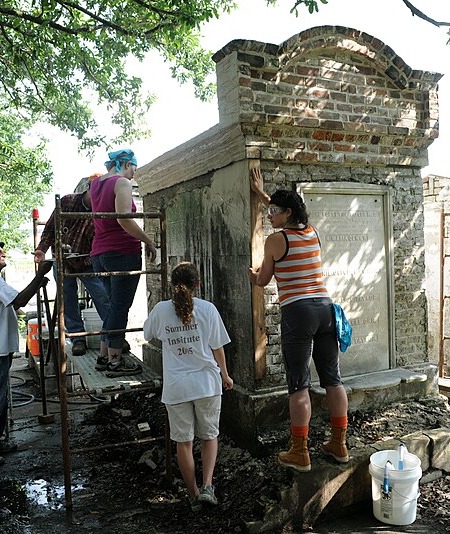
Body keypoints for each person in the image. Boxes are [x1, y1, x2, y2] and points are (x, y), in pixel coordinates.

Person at [247, 167, 349, 472]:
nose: (269, 215)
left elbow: (264, 280)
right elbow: (290, 216)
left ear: (286, 213)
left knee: (299, 384)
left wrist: (253, 277)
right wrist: (264, 195)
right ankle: (339, 443)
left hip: (298, 312)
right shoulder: (313, 232)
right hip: (325, 308)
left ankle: (300, 451)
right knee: (332, 378)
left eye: (273, 212)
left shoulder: (276, 241)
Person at [144, 262, 233, 511]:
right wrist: (226, 375)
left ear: (172, 285)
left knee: (183, 442)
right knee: (209, 436)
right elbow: (217, 347)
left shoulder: (161, 310)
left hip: (176, 388)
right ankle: (207, 487)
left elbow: (146, 334)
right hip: (206, 384)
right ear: (198, 284)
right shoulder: (208, 309)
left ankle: (193, 495)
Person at [0, 242, 53, 466]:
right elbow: (20, 300)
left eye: (2, 251)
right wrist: (39, 276)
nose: (3, 254)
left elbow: (15, 304)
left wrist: (37, 283)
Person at [90, 149, 157, 377]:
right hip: (121, 251)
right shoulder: (121, 183)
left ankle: (103, 356)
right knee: (120, 307)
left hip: (100, 253)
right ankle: (116, 361)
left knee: (113, 306)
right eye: (133, 169)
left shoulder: (96, 184)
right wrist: (148, 240)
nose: (133, 176)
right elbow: (123, 218)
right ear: (126, 163)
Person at [34, 175, 111, 356]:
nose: (100, 198)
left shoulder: (102, 210)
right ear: (90, 189)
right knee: (68, 298)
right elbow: (51, 229)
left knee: (103, 296)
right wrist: (42, 249)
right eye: (98, 193)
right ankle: (78, 338)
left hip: (87, 261)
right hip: (62, 260)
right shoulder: (68, 202)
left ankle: (113, 336)